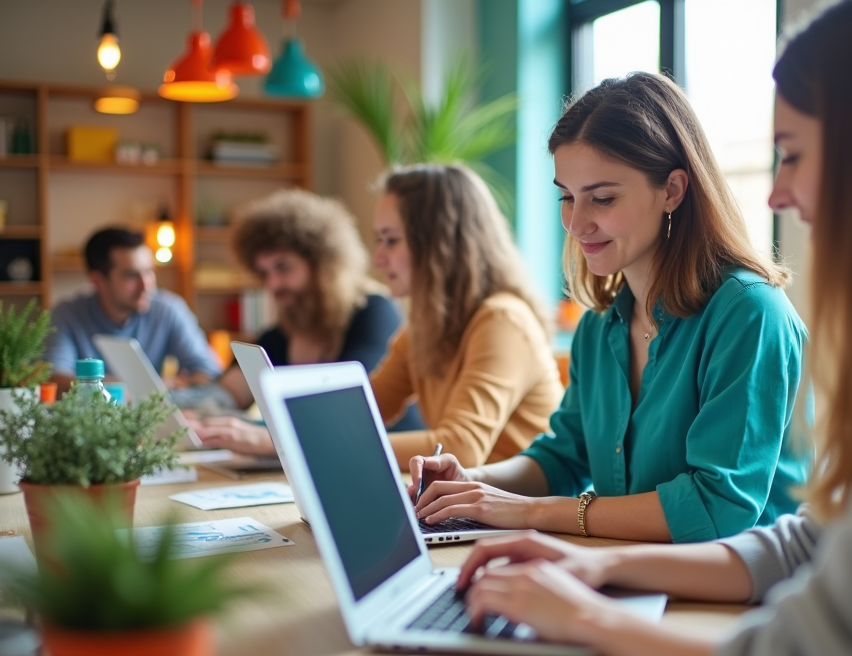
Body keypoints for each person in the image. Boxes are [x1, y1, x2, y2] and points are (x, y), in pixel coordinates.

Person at [450, 0, 852, 656]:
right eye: (567, 198)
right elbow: (813, 538)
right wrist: (595, 563)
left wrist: (585, 613)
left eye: (792, 152)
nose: (778, 192)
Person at [412, 73, 810, 544]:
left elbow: (717, 506)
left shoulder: (750, 314)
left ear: (673, 191)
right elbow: (563, 457)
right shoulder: (600, 325)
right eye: (566, 196)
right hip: (630, 575)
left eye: (602, 198)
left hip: (740, 600)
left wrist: (531, 513)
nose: (577, 223)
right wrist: (474, 483)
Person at [193, 189, 420, 454]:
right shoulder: (285, 332)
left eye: (284, 268)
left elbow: (349, 410)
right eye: (265, 273)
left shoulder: (375, 313)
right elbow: (229, 392)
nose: (274, 285)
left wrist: (261, 434)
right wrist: (193, 413)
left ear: (322, 264)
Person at [368, 163, 564, 469]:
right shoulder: (425, 327)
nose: (378, 258)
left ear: (439, 243)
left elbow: (460, 447)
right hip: (470, 506)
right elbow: (368, 408)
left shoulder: (502, 320)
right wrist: (277, 440)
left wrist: (336, 447)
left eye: (391, 240)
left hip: (521, 507)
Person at [44, 227, 222, 393]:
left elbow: (209, 372)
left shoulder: (168, 309)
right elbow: (54, 381)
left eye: (149, 271)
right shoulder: (66, 315)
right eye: (131, 275)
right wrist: (151, 387)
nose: (146, 285)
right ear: (98, 281)